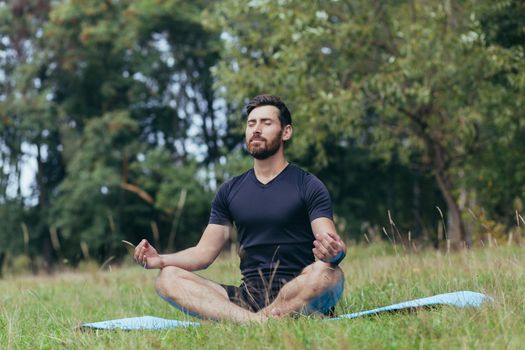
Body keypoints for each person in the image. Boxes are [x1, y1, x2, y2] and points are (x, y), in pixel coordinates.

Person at [134, 95, 346, 323]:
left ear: (286, 132)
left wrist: (336, 252)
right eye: (251, 123)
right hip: (248, 299)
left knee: (328, 274)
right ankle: (259, 323)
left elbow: (331, 245)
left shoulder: (308, 185)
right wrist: (161, 260)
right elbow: (203, 253)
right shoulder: (230, 190)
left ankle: (253, 321)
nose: (256, 129)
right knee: (167, 279)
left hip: (299, 290)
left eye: (266, 123)